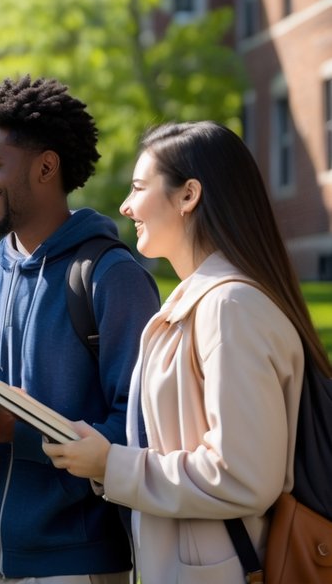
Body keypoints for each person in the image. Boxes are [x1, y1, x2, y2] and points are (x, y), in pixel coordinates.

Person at [43, 121, 329, 582]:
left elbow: (241, 475)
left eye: (138, 187)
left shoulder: (230, 307)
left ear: (188, 195)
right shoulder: (202, 299)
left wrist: (110, 464)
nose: (126, 205)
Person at [0, 76, 160, 583]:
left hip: (78, 560)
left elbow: (143, 430)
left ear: (46, 167)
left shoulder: (109, 276)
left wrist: (22, 434)